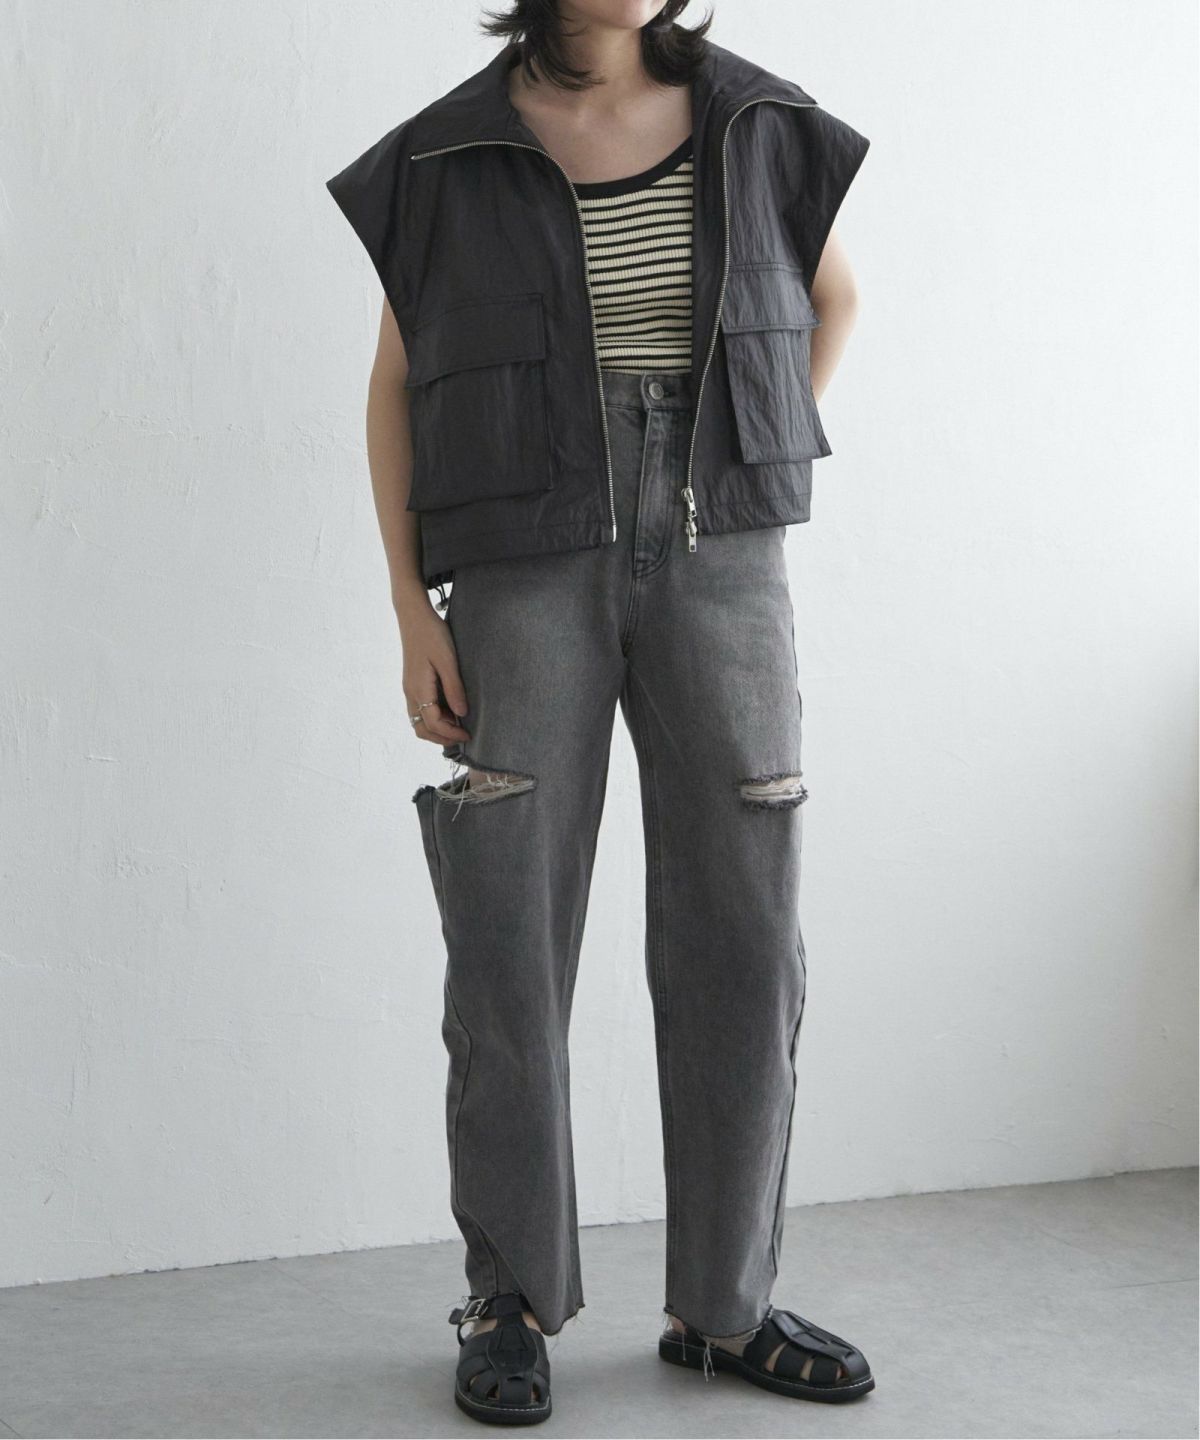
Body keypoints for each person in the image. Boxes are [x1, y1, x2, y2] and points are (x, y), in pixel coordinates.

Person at [326, 0, 873, 1423]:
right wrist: (409, 608)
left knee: (745, 929)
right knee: (506, 934)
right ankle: (507, 1298)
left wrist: (740, 454)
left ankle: (725, 1307)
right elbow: (396, 379)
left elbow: (834, 300)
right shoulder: (451, 153)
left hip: (721, 564)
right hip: (523, 564)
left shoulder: (757, 123)